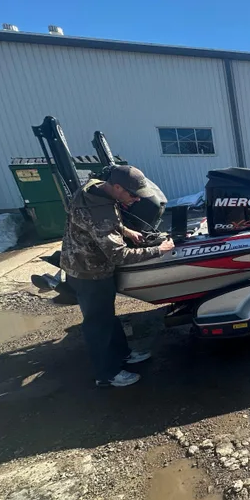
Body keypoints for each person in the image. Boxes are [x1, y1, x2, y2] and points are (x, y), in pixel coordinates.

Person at [60, 165, 175, 387]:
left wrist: (124, 230)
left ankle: (122, 354)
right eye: (133, 195)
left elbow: (99, 222)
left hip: (84, 263)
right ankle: (107, 374)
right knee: (97, 323)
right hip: (89, 273)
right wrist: (158, 250)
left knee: (107, 316)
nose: (137, 199)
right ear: (117, 186)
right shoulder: (100, 213)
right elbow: (119, 255)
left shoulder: (93, 188)